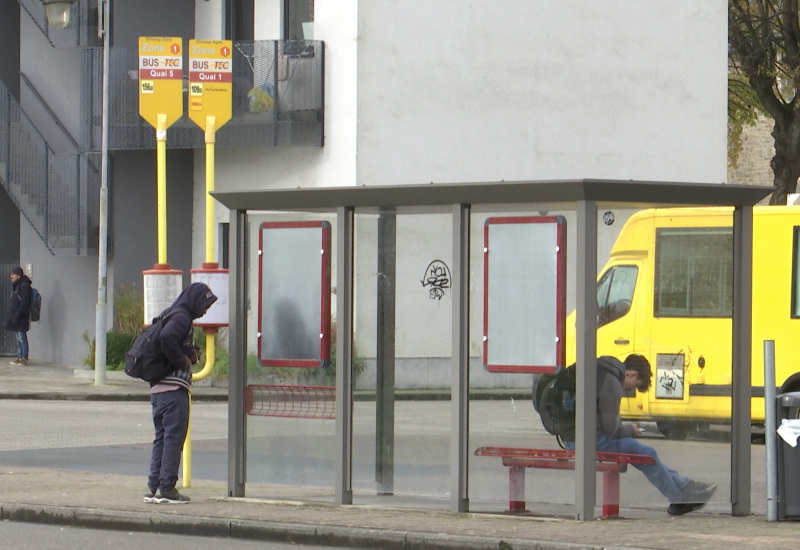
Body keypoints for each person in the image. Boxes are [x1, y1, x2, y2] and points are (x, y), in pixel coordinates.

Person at [563, 354, 717, 516]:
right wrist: (631, 429)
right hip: (586, 440)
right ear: (632, 374)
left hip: (575, 436)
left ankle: (686, 487)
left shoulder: (602, 369)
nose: (629, 390)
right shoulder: (612, 382)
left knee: (647, 454)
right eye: (634, 386)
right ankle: (680, 499)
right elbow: (613, 430)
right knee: (646, 453)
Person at [145, 282, 217, 505]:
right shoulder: (182, 317)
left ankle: (153, 487)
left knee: (162, 438)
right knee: (174, 438)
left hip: (158, 389)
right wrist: (183, 361)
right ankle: (167, 488)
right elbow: (167, 339)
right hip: (174, 389)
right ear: (195, 301)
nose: (205, 311)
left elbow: (169, 340)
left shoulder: (170, 313)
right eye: (204, 305)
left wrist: (188, 352)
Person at [5, 266, 32, 366]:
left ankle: (24, 358)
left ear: (19, 275)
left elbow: (24, 303)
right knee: (18, 338)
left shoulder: (24, 286)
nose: (11, 276)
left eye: (13, 274)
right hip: (16, 316)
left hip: (21, 317)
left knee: (22, 337)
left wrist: (17, 314)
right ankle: (20, 356)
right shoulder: (17, 285)